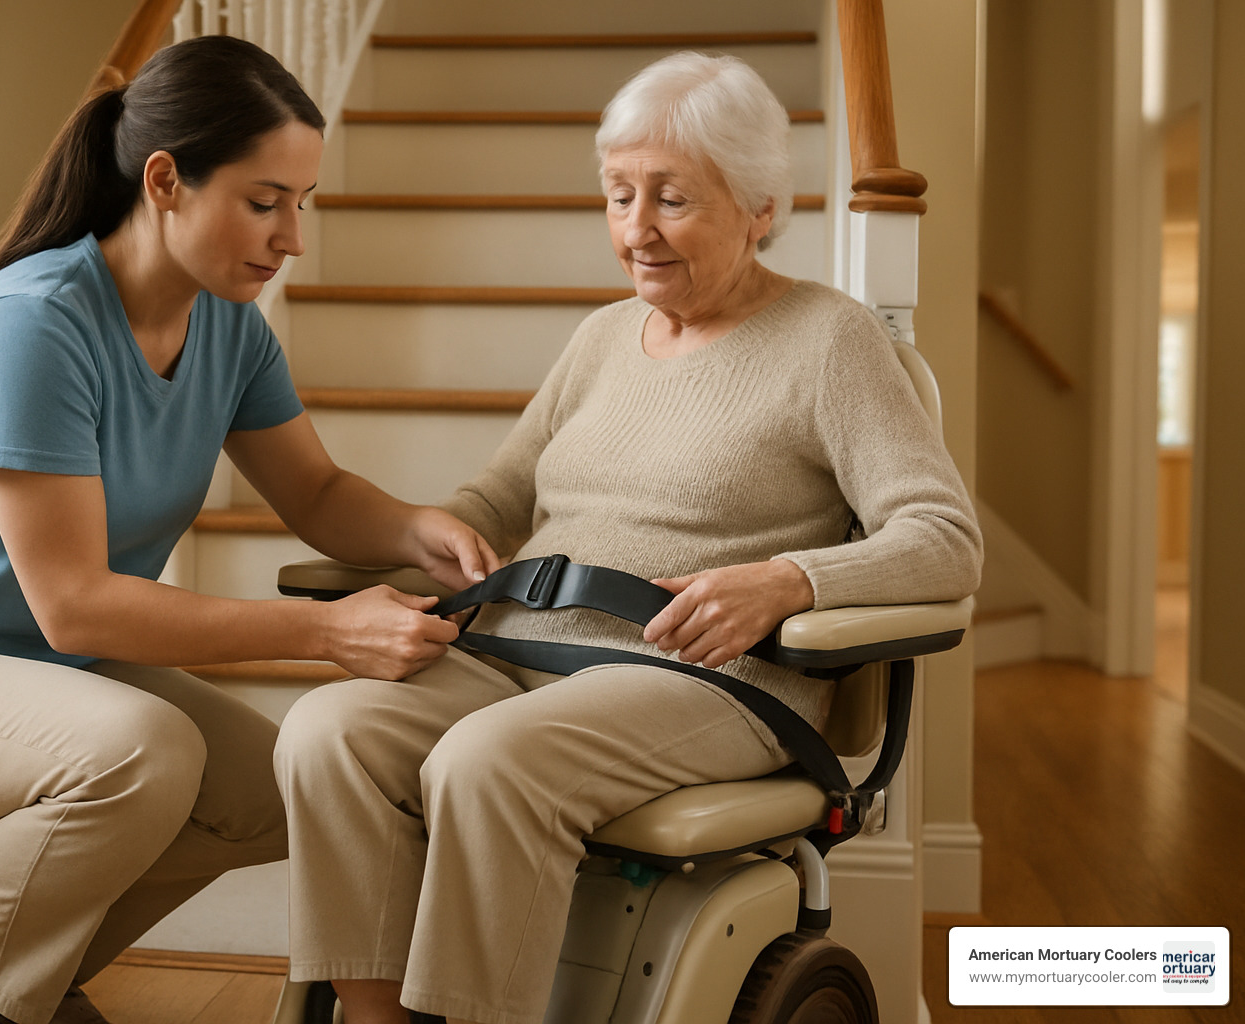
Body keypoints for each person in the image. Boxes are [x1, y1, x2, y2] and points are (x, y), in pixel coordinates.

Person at [0, 36, 496, 1024]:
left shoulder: (230, 326)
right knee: (144, 750)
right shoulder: (34, 321)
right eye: (265, 200)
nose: (292, 235)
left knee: (273, 791)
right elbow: (76, 606)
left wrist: (423, 528)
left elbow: (319, 490)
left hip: (48, 668)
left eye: (303, 201)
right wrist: (324, 631)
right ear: (165, 180)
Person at [273, 51, 983, 1024]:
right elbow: (507, 488)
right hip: (518, 651)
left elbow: (945, 538)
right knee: (328, 732)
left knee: (484, 763)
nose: (636, 229)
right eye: (617, 196)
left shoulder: (833, 340)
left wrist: (787, 580)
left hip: (701, 679)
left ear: (762, 206)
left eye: (672, 199)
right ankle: (374, 1015)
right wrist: (451, 538)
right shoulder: (605, 336)